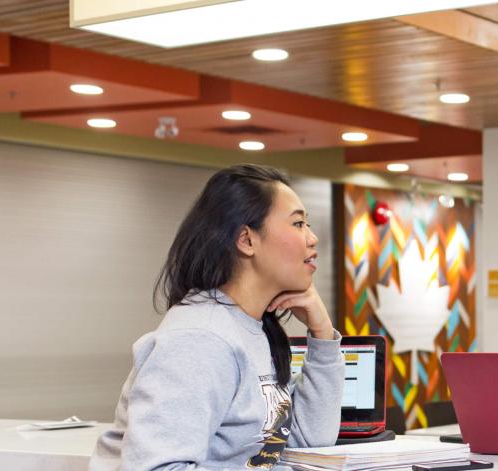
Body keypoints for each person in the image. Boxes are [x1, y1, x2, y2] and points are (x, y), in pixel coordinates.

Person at [90, 164, 344, 470]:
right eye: (299, 224)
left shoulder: (251, 328)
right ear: (247, 240)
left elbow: (307, 437)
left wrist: (323, 334)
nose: (313, 239)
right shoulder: (199, 340)